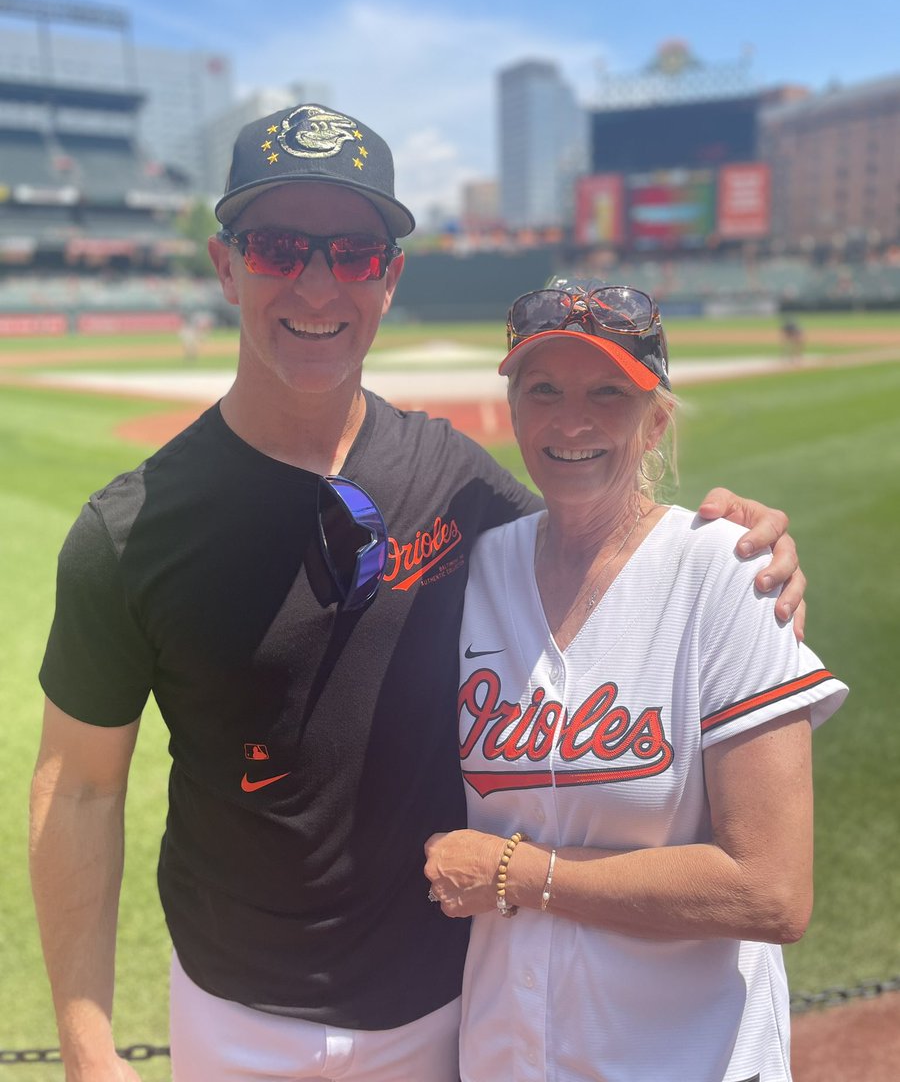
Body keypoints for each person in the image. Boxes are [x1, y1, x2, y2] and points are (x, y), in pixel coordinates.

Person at [30, 103, 806, 1082]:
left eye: (353, 252)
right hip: (230, 1012)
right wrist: (86, 1042)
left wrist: (735, 548)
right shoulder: (128, 529)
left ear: (390, 279)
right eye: (279, 245)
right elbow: (80, 786)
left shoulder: (454, 476)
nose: (317, 281)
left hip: (444, 1006)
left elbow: (600, 549)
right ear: (227, 266)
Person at [424, 281, 848, 1082]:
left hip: (688, 1060)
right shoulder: (478, 569)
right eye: (543, 389)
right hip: (507, 1058)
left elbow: (771, 890)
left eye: (608, 392)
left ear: (656, 420)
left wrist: (521, 876)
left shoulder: (726, 574)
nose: (571, 420)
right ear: (511, 409)